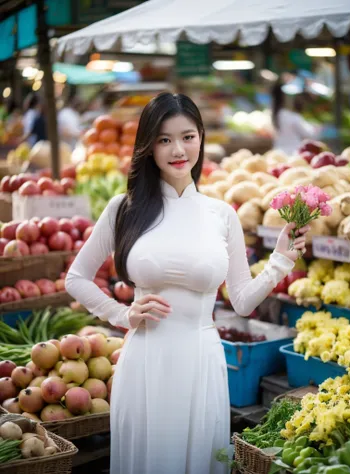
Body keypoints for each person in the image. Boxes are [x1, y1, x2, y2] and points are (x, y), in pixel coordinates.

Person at [65, 92, 309, 474]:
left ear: (200, 139)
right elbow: (76, 278)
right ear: (148, 146)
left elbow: (242, 301)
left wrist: (280, 260)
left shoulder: (221, 215)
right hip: (145, 361)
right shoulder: (124, 209)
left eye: (188, 136)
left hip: (201, 361)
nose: (178, 149)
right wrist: (121, 313)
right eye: (164, 139)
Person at [271, 81, 320, 155]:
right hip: (292, 152)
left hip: (278, 151)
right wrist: (316, 128)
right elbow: (308, 134)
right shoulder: (293, 116)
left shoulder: (278, 113)